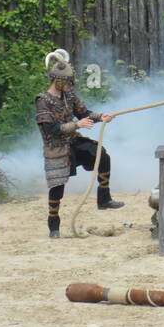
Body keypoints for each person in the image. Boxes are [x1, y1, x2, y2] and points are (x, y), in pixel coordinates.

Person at [35, 49, 121, 238]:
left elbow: (84, 113)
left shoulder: (69, 96)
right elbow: (51, 129)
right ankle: (54, 226)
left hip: (73, 141)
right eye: (67, 82)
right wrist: (77, 124)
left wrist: (101, 117)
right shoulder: (43, 101)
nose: (70, 85)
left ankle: (104, 199)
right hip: (56, 147)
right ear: (57, 80)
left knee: (101, 154)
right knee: (57, 187)